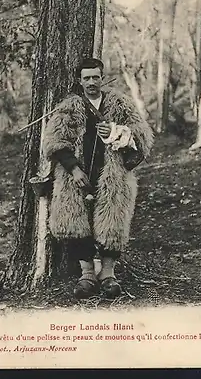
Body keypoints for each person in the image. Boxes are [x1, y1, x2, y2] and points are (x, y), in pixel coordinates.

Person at [43, 58, 154, 299]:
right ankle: (86, 274)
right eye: (87, 78)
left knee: (112, 223)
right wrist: (74, 170)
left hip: (112, 175)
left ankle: (107, 273)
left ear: (102, 78)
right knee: (75, 221)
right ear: (79, 81)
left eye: (96, 77)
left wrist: (116, 131)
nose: (92, 82)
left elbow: (142, 139)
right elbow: (55, 143)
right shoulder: (69, 107)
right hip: (77, 176)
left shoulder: (120, 104)